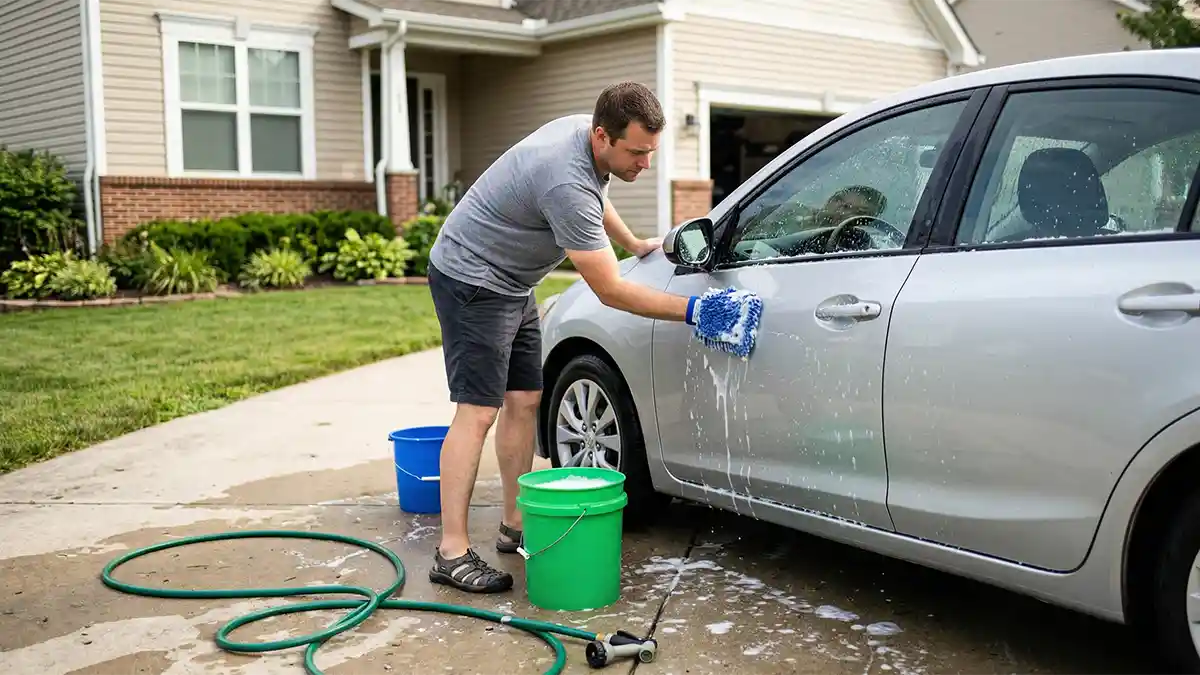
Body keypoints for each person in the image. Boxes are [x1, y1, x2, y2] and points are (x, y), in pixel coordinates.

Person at [424, 81, 697, 594]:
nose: (645, 164)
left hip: (513, 280)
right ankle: (452, 550)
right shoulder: (564, 180)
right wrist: (697, 311)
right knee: (478, 411)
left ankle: (515, 523)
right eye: (637, 153)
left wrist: (635, 242)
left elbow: (595, 200)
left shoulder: (588, 141)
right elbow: (611, 290)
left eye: (650, 152)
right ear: (602, 137)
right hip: (472, 279)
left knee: (525, 398)